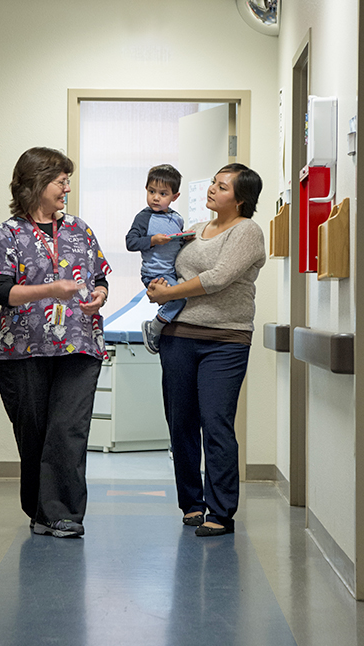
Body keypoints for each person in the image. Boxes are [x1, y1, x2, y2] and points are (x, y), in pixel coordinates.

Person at [0, 147, 111, 539]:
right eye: (61, 181)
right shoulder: (9, 233)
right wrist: (49, 289)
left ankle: (65, 514)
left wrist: (100, 295)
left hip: (79, 345)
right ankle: (40, 510)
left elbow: (100, 274)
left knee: (68, 429)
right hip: (23, 349)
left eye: (67, 181)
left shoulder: (79, 229)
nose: (67, 188)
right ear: (37, 183)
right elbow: (0, 290)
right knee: (35, 431)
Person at [147, 163, 265, 537]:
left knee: (216, 424)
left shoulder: (247, 231)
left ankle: (221, 510)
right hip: (178, 336)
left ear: (241, 198)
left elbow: (217, 279)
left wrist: (169, 293)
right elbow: (175, 267)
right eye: (213, 183)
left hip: (225, 341)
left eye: (222, 186)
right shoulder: (196, 229)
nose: (212, 190)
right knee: (180, 423)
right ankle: (192, 505)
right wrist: (158, 283)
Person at [125, 164, 193, 354]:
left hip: (172, 272)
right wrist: (153, 240)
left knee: (182, 300)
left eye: (163, 194)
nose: (155, 197)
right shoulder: (143, 218)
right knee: (179, 299)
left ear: (175, 196)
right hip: (154, 272)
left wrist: (184, 239)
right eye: (151, 191)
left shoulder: (177, 219)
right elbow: (130, 242)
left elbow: (175, 246)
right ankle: (153, 327)